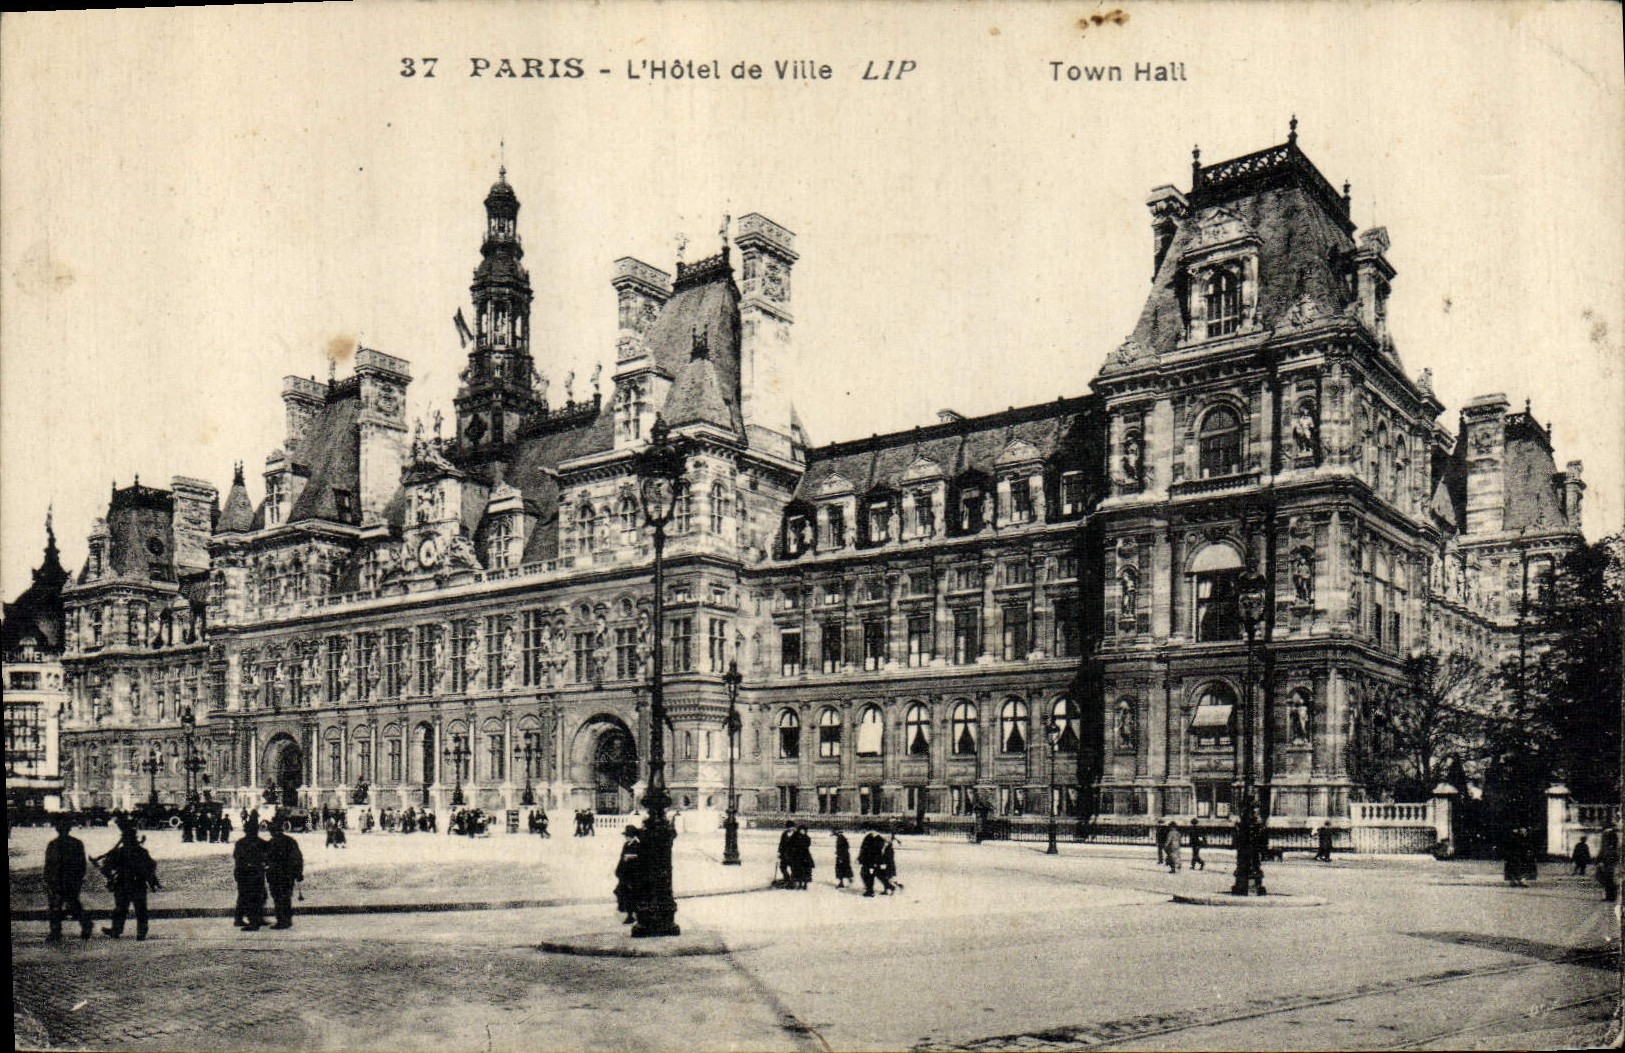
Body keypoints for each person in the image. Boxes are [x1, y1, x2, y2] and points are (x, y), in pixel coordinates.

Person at [100, 821, 161, 940]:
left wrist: (110, 878)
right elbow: (150, 867)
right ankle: (141, 933)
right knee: (140, 909)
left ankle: (116, 930)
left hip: (123, 884)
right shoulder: (142, 852)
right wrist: (153, 882)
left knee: (121, 909)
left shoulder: (119, 852)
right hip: (138, 884)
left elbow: (106, 868)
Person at [45, 816, 95, 941]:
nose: (61, 829)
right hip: (58, 880)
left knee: (71, 905)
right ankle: (56, 931)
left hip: (69, 880)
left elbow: (81, 864)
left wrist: (78, 879)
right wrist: (48, 878)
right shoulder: (55, 844)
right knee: (57, 906)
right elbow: (49, 864)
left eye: (63, 827)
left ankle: (85, 925)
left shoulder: (71, 844)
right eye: (59, 826)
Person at [264, 817, 305, 930]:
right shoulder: (290, 841)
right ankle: (286, 920)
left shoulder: (271, 843)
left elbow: (265, 859)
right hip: (287, 875)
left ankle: (282, 921)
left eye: (272, 831)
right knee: (285, 897)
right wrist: (298, 873)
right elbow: (298, 858)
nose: (271, 833)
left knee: (278, 898)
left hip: (276, 875)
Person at [233, 818, 269, 930]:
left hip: (253, 872)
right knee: (250, 896)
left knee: (257, 895)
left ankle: (251, 918)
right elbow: (238, 857)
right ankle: (250, 920)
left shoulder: (256, 842)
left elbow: (268, 854)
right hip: (247, 873)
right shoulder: (245, 843)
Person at [614, 825, 643, 924]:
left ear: (633, 836)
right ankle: (627, 911)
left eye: (628, 835)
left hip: (632, 874)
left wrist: (631, 857)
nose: (626, 837)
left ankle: (631, 915)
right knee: (620, 892)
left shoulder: (637, 845)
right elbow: (621, 858)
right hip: (624, 873)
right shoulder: (626, 844)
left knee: (630, 895)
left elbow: (640, 858)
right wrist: (618, 871)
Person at [857, 830, 885, 897]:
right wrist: (860, 858)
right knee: (865, 874)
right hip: (866, 860)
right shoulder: (868, 837)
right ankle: (869, 889)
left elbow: (877, 853)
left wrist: (875, 863)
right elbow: (863, 849)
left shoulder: (879, 840)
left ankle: (870, 891)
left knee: (870, 876)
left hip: (872, 862)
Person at [1596, 825, 1619, 902]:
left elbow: (1605, 848)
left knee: (1608, 878)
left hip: (1608, 859)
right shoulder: (1611, 834)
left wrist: (1600, 859)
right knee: (1607, 878)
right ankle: (1610, 896)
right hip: (1608, 859)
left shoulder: (1609, 834)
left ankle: (1611, 896)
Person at [790, 824, 815, 889]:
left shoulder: (806, 838)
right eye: (801, 830)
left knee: (806, 870)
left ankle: (805, 884)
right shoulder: (795, 836)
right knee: (798, 870)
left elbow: (807, 844)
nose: (802, 831)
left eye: (804, 830)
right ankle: (800, 883)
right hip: (798, 856)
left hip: (805, 856)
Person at [776, 822, 796, 887]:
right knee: (782, 867)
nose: (790, 828)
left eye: (791, 827)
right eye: (788, 827)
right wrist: (779, 851)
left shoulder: (797, 835)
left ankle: (792, 881)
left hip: (793, 855)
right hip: (784, 854)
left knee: (793, 868)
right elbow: (781, 843)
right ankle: (787, 879)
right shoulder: (784, 834)